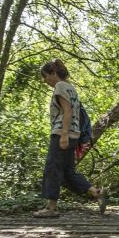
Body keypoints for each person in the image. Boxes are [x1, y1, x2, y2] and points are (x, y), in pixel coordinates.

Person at [34, 59, 106, 217]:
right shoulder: (70, 87)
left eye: (45, 76)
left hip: (62, 133)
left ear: (53, 73)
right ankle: (95, 192)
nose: (44, 80)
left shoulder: (60, 86)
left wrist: (64, 135)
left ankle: (50, 209)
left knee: (52, 168)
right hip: (73, 133)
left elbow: (67, 111)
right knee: (67, 173)